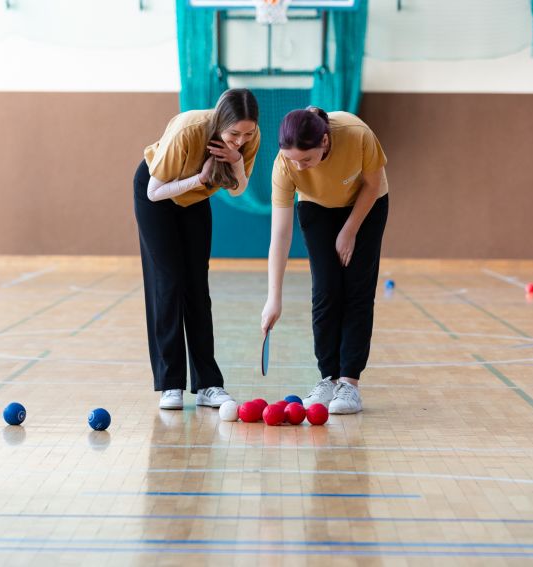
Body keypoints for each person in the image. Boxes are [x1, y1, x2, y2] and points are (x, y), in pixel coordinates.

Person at [135, 88, 260, 410]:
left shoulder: (248, 138)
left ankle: (208, 384)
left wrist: (236, 163)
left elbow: (238, 191)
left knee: (197, 288)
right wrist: (199, 178)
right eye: (233, 134)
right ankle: (170, 384)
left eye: (246, 134)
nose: (240, 141)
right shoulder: (189, 130)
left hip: (195, 200)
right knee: (169, 283)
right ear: (220, 122)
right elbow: (154, 192)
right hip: (159, 196)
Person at [261, 107, 389, 414]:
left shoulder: (357, 135)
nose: (299, 167)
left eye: (306, 159)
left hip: (366, 204)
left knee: (357, 291)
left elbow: (373, 185)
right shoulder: (285, 166)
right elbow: (280, 235)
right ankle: (328, 378)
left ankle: (349, 384)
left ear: (325, 142)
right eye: (293, 160)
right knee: (325, 290)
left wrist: (349, 229)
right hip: (317, 207)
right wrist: (273, 298)